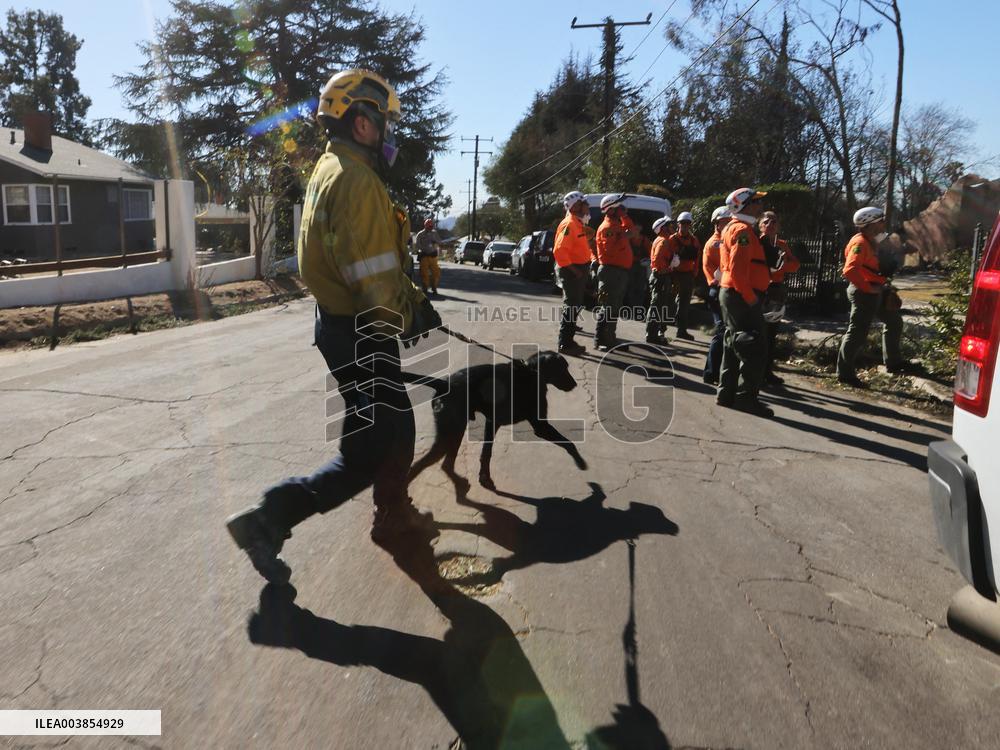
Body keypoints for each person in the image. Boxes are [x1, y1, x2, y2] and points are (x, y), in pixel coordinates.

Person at [225, 69, 442, 584]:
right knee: (366, 451)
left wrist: (412, 302)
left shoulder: (330, 167)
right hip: (362, 330)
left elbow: (365, 260)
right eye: (386, 123)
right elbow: (372, 275)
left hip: (343, 326)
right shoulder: (357, 181)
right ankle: (270, 518)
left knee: (394, 426)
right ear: (363, 124)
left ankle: (393, 514)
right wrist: (410, 315)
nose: (390, 133)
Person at [717, 188, 773, 418]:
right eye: (756, 202)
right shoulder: (742, 231)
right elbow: (738, 271)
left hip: (734, 293)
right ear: (744, 206)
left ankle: (726, 393)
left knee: (733, 344)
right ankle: (745, 398)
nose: (760, 206)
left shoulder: (736, 228)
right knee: (754, 346)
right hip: (741, 295)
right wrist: (752, 299)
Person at [836, 206, 905, 387]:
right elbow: (849, 270)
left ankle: (894, 363)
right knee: (857, 333)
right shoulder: (860, 243)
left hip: (877, 289)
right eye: (881, 221)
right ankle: (845, 374)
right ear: (871, 223)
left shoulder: (873, 240)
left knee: (894, 322)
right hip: (864, 292)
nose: (884, 224)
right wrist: (868, 287)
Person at [759, 211, 800, 387]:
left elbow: (795, 265)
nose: (770, 225)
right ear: (760, 225)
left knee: (771, 334)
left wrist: (781, 266)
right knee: (759, 333)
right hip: (760, 289)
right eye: (766, 222)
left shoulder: (782, 244)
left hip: (776, 291)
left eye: (774, 222)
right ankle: (755, 372)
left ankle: (767, 371)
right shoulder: (757, 242)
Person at [554, 190, 593, 355]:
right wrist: (575, 270)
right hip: (572, 271)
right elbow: (559, 251)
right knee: (571, 307)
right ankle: (565, 343)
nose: (588, 207)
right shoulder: (569, 224)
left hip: (578, 269)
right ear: (575, 206)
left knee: (574, 306)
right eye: (585, 204)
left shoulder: (577, 223)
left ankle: (568, 341)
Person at [594, 193, 634, 351]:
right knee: (607, 307)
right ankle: (600, 340)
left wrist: (625, 217)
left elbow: (631, 230)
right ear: (611, 209)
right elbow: (609, 251)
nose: (623, 209)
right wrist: (624, 236)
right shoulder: (607, 228)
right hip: (610, 272)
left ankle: (610, 339)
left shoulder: (617, 224)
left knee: (614, 307)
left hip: (619, 272)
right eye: (620, 207)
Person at [702, 206, 731, 384]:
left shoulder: (725, 239)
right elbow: (714, 268)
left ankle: (714, 373)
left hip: (723, 289)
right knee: (721, 332)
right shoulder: (716, 243)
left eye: (729, 221)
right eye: (724, 221)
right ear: (717, 223)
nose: (728, 224)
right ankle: (711, 373)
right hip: (718, 289)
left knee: (724, 332)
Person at [665, 211, 700, 340]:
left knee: (684, 303)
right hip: (674, 274)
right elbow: (666, 256)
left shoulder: (694, 240)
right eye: (683, 223)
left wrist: (695, 271)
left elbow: (697, 258)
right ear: (678, 224)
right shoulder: (672, 239)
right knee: (668, 301)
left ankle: (681, 330)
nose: (685, 226)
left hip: (688, 275)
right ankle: (661, 328)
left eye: (687, 223)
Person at [646, 215, 678, 344]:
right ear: (663, 228)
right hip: (660, 276)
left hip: (661, 276)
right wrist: (667, 268)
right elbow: (657, 259)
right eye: (669, 225)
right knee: (656, 306)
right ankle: (651, 335)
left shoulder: (664, 240)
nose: (672, 227)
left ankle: (654, 334)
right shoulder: (663, 241)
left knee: (659, 306)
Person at [414, 218, 442, 294]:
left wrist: (435, 242)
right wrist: (422, 250)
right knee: (424, 273)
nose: (430, 228)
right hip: (424, 256)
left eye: (431, 226)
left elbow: (440, 242)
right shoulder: (420, 234)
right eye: (429, 226)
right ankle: (425, 288)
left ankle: (434, 287)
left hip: (433, 256)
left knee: (436, 272)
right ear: (425, 226)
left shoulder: (435, 233)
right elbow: (417, 245)